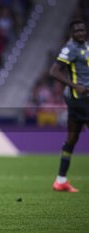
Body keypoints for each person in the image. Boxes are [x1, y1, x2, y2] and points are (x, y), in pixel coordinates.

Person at [50, 19, 89, 193]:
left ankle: (60, 180)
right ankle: (60, 180)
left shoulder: (85, 46)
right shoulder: (70, 48)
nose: (81, 33)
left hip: (81, 100)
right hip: (79, 99)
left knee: (72, 140)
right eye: (77, 30)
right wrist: (75, 86)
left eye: (83, 30)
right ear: (71, 33)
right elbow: (54, 71)